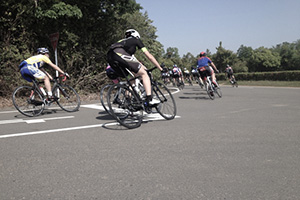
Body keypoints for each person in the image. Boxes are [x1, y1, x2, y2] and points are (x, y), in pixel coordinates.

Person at [107, 29, 162, 105]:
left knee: (131, 78)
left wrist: (142, 68)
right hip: (119, 54)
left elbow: (134, 61)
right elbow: (149, 56)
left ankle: (128, 102)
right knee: (144, 74)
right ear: (136, 36)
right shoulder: (136, 40)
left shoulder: (123, 42)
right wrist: (160, 68)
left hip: (110, 57)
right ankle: (150, 99)